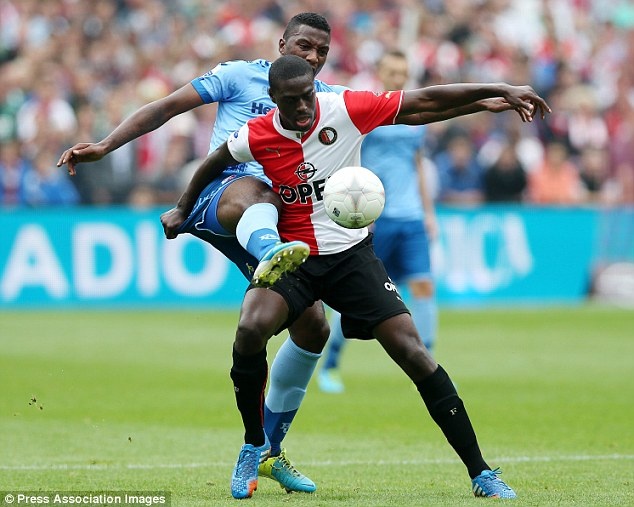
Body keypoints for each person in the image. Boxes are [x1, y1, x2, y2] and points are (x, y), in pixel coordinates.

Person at [161, 55, 550, 499]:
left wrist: (497, 91)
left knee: (413, 352)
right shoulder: (257, 133)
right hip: (296, 259)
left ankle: (481, 472)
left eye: (307, 96)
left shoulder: (343, 109)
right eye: (292, 101)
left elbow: (424, 103)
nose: (303, 107)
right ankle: (255, 445)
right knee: (250, 329)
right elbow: (215, 161)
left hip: (351, 258)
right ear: (273, 98)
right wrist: (183, 206)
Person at [57, 12, 345, 494]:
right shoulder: (238, 74)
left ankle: (267, 449)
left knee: (313, 326)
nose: (312, 57)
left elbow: (399, 112)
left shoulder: (327, 99)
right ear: (282, 44)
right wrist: (106, 145)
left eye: (321, 51)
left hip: (275, 217)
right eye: (304, 46)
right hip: (219, 197)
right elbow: (167, 107)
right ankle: (271, 249)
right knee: (254, 191)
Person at [319, 50, 439, 394]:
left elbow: (417, 164)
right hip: (374, 219)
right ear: (380, 72)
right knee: (356, 294)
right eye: (392, 71)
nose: (398, 77)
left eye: (403, 72)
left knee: (423, 287)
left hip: (411, 217)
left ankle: (428, 367)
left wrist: (428, 212)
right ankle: (330, 364)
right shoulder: (366, 110)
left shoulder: (416, 115)